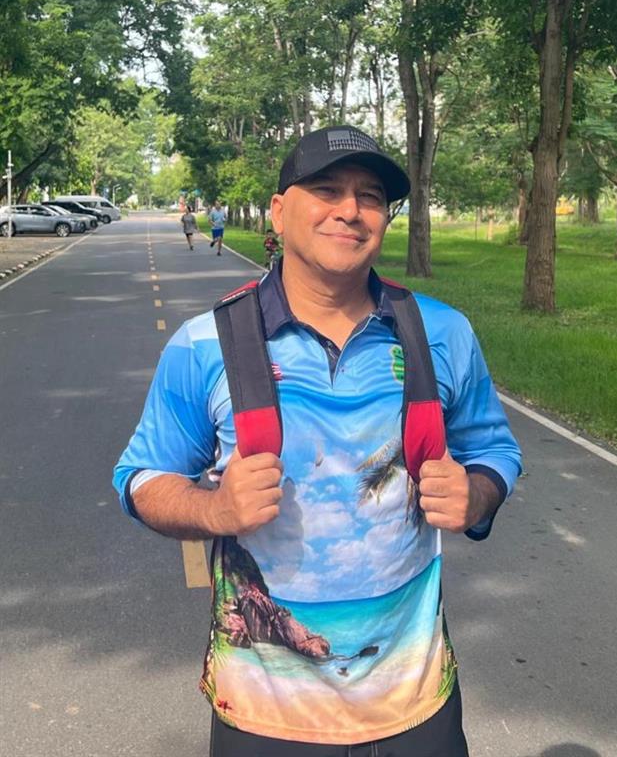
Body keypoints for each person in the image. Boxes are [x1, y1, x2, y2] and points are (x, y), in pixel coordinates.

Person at [113, 125, 522, 757]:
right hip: (263, 718)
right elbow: (142, 478)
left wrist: (477, 496)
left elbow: (495, 450)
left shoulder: (443, 332)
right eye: (326, 189)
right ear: (279, 211)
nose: (350, 210)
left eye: (370, 196)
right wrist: (215, 510)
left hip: (416, 705)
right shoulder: (204, 344)